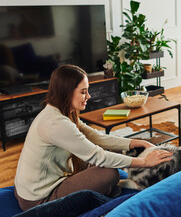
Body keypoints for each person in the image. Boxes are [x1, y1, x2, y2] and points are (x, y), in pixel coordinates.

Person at [14, 64, 172, 211]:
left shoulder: (60, 111)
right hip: (39, 200)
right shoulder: (57, 124)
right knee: (109, 173)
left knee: (90, 157)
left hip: (32, 188)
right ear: (66, 92)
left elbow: (96, 137)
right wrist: (144, 162)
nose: (88, 96)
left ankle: (105, 188)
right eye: (83, 92)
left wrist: (134, 142)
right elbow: (99, 157)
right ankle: (105, 190)